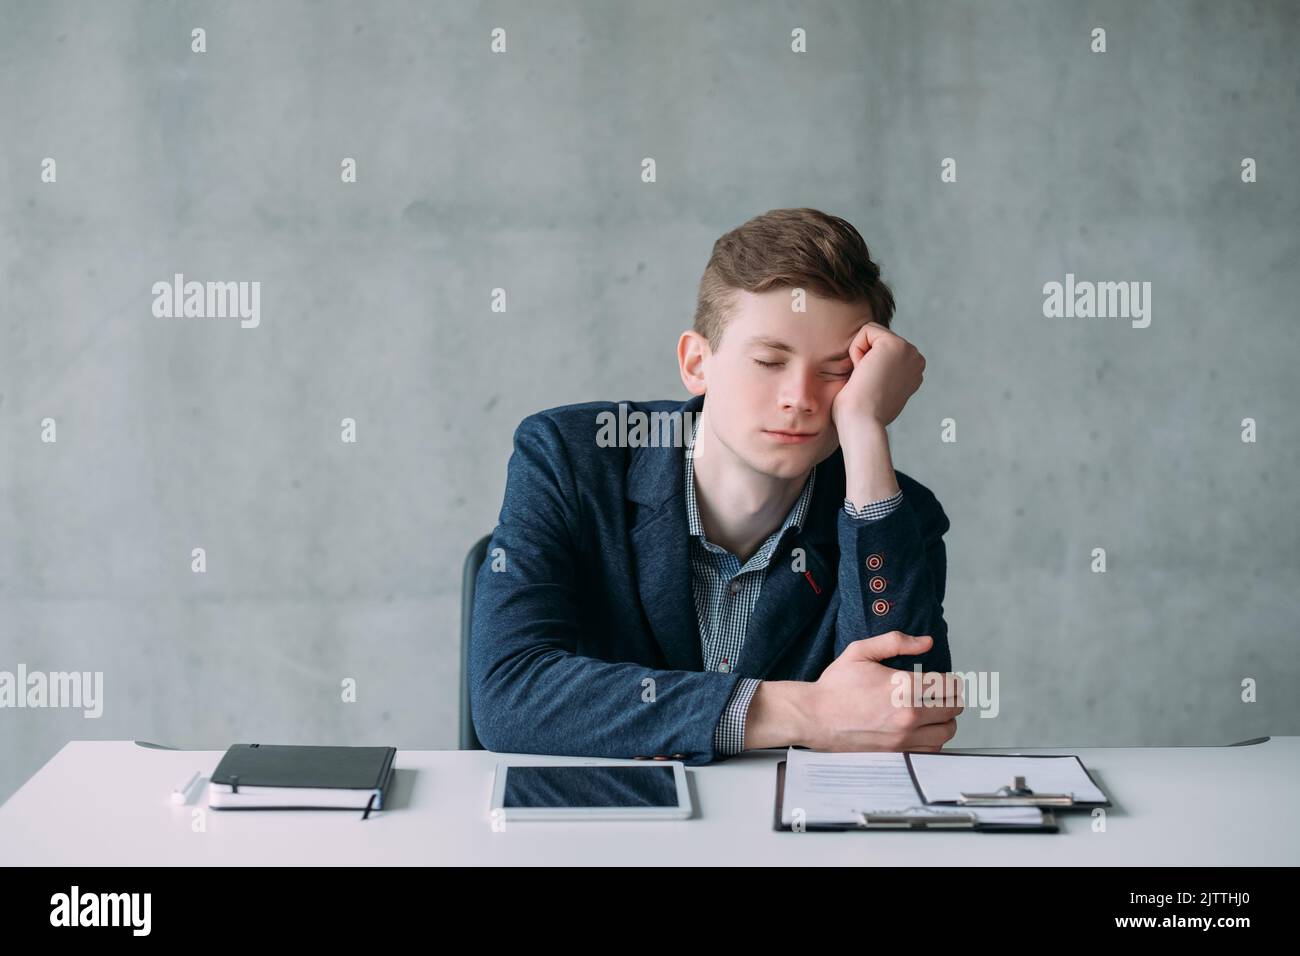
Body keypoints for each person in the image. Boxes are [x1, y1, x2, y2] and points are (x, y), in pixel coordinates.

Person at [469, 207, 961, 765]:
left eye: (835, 372)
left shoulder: (893, 514)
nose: (799, 398)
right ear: (697, 362)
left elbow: (902, 717)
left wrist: (866, 431)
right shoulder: (571, 456)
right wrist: (806, 712)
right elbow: (509, 694)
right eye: (769, 361)